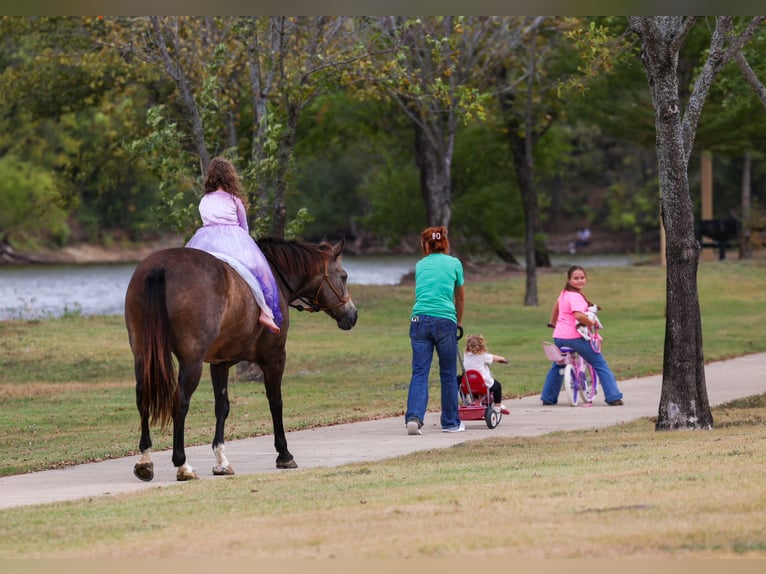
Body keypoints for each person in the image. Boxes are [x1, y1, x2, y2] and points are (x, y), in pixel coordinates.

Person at [186, 156, 283, 334]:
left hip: (205, 241)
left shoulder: (204, 200)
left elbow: (206, 222)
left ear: (210, 177)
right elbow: (244, 227)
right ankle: (265, 312)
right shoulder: (234, 199)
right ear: (230, 176)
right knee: (260, 272)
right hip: (234, 239)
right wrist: (246, 249)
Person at [405, 226, 465, 434]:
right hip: (445, 320)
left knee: (420, 371)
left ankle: (414, 417)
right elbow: (460, 297)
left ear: (425, 244)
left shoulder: (420, 265)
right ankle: (450, 422)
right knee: (448, 373)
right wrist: (458, 322)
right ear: (445, 243)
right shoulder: (454, 264)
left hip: (418, 318)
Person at [541, 265, 624, 406]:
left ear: (586, 279)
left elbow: (556, 306)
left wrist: (552, 322)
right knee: (599, 362)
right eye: (576, 278)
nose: (579, 281)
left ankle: (548, 397)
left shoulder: (564, 293)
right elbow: (578, 315)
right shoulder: (576, 296)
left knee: (559, 364)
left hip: (559, 337)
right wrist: (591, 323)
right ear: (568, 279)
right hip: (576, 338)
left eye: (582, 278)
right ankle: (613, 397)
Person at [463, 334, 509, 413]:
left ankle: (472, 400)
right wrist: (502, 359)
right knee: (497, 386)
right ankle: (497, 406)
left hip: (469, 385)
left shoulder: (466, 356)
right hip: (483, 384)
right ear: (482, 346)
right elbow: (494, 358)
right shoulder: (483, 356)